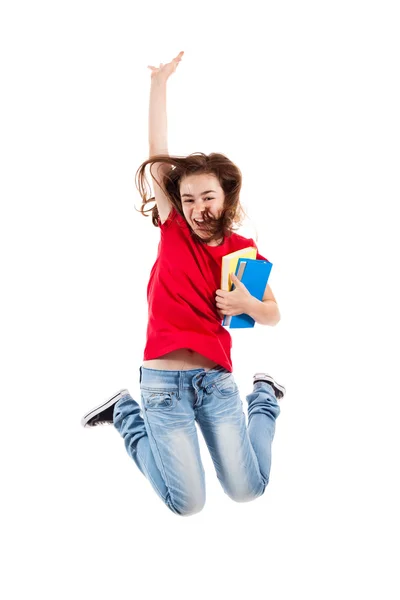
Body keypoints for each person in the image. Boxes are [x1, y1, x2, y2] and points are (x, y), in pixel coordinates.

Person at [81, 51, 286, 517]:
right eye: (189, 198)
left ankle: (264, 398)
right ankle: (126, 415)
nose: (197, 207)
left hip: (215, 383)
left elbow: (273, 314)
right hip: (162, 384)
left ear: (226, 196)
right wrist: (159, 84)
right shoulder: (173, 227)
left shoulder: (243, 251)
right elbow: (157, 156)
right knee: (187, 504)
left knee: (247, 490)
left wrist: (244, 302)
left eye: (207, 196)